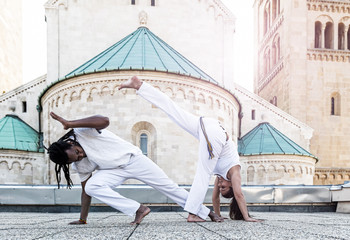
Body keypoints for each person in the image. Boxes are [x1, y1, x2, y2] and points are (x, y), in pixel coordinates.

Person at [119, 76, 260, 222]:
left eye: (221, 187)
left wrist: (217, 214)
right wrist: (246, 217)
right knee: (203, 174)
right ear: (231, 184)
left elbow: (215, 197)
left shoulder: (221, 177)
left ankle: (140, 86)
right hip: (217, 136)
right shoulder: (234, 170)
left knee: (174, 112)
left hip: (206, 125)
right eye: (224, 187)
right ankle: (192, 214)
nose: (220, 185)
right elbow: (239, 195)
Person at [47, 112, 222, 225]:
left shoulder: (83, 132)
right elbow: (86, 192)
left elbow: (105, 120)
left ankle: (208, 213)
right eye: (75, 159)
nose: (80, 156)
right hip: (113, 171)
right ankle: (138, 209)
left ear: (70, 142)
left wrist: (70, 123)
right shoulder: (80, 164)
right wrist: (82, 219)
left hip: (133, 160)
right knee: (92, 186)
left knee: (168, 187)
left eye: (77, 152)